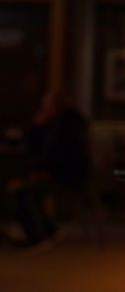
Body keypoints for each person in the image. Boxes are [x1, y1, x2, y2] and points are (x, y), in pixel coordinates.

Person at [7, 90, 91, 247]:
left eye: (46, 105)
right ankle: (48, 229)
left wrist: (45, 172)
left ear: (57, 106)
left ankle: (39, 234)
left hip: (68, 177)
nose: (43, 108)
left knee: (23, 192)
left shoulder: (69, 125)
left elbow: (62, 156)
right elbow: (34, 147)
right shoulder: (52, 123)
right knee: (18, 188)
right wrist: (37, 126)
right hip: (55, 172)